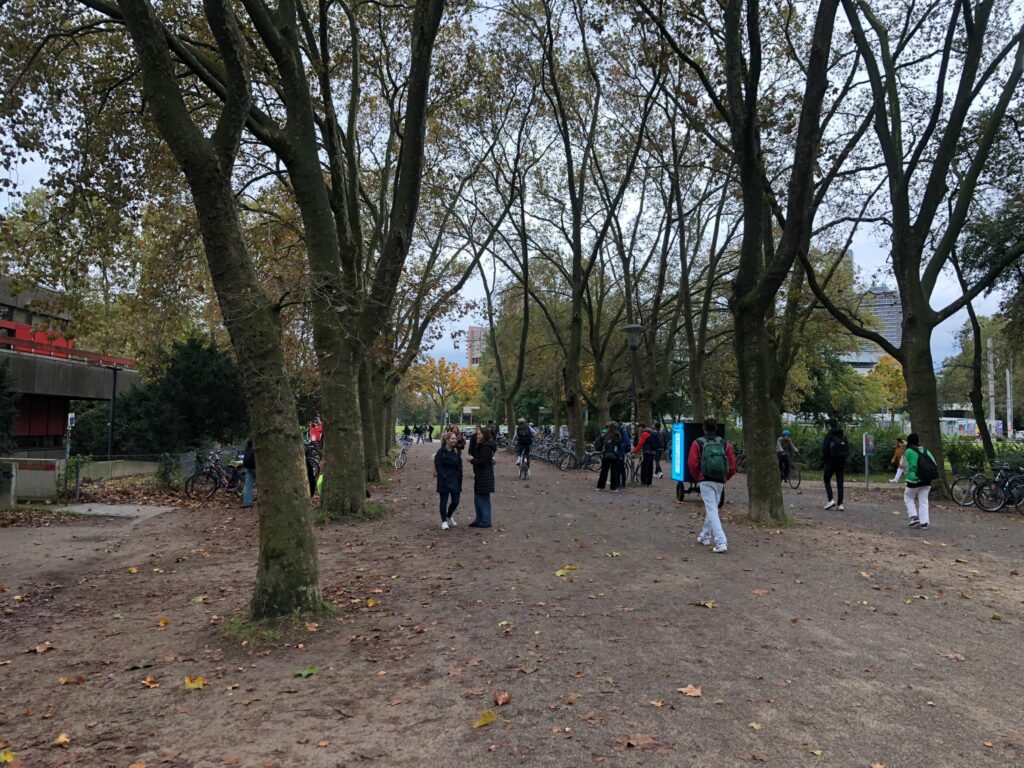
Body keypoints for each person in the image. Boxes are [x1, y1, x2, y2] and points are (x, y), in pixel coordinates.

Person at [687, 417, 736, 553]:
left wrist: (698, 477)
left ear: (703, 428)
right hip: (720, 481)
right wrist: (725, 477)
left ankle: (721, 542)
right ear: (716, 428)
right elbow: (732, 466)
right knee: (712, 508)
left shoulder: (698, 443)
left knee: (712, 510)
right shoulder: (725, 444)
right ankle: (705, 536)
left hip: (705, 480)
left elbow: (692, 463)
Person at [899, 433, 937, 529]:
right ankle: (924, 523)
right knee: (924, 501)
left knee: (908, 497)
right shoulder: (925, 450)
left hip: (914, 480)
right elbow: (934, 463)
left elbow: (902, 465)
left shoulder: (908, 451)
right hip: (926, 479)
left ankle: (914, 517)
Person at [434, 430, 463, 530]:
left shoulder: (456, 451)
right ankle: (444, 521)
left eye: (455, 438)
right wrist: (444, 476)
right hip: (444, 480)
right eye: (452, 438)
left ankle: (449, 515)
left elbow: (460, 465)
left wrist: (460, 476)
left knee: (456, 500)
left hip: (455, 479)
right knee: (444, 500)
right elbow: (438, 465)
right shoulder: (440, 452)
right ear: (447, 440)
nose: (454, 440)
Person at [468, 426, 496, 528]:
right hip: (481, 474)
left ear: (484, 435)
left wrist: (472, 459)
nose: (477, 435)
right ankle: (479, 518)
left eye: (479, 434)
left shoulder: (487, 447)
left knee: (482, 498)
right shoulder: (481, 445)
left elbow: (482, 462)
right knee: (478, 497)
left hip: (485, 475)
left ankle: (486, 520)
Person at [821, 420, 849, 511]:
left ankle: (830, 500)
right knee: (840, 484)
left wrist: (825, 459)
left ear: (829, 426)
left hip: (830, 462)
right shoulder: (843, 436)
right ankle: (840, 504)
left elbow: (825, 451)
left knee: (826, 479)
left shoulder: (829, 436)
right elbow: (847, 450)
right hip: (841, 463)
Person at [595, 421, 622, 491]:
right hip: (615, 456)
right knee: (614, 471)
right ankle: (613, 487)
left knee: (604, 471)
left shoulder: (605, 434)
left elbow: (599, 445)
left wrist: (601, 452)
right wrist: (618, 454)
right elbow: (620, 446)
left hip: (605, 455)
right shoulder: (617, 435)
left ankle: (600, 486)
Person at [617, 422, 632, 490]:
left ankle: (622, 484)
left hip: (621, 452)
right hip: (619, 452)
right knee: (619, 468)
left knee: (621, 468)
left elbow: (626, 441)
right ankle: (619, 483)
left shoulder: (623, 429)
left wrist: (620, 449)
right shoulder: (621, 429)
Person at [242, 439, 256, 509]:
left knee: (248, 485)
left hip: (247, 467)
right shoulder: (256, 447)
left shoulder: (247, 447)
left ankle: (246, 503)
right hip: (255, 467)